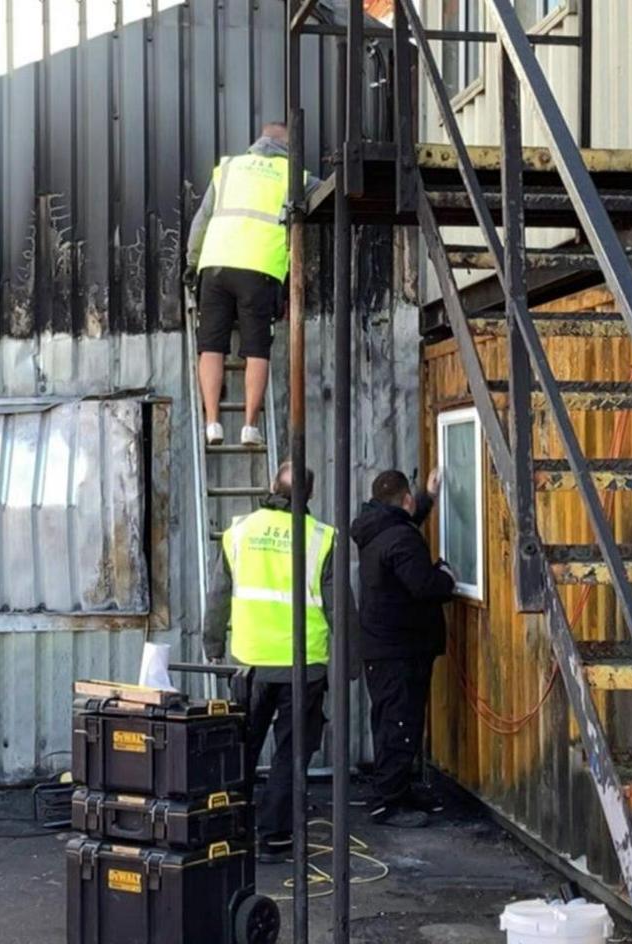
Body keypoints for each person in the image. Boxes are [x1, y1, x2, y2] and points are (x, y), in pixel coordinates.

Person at [204, 462, 352, 861]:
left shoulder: (241, 532)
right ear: (310, 494)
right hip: (303, 666)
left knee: (243, 746)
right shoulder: (320, 538)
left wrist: (212, 643)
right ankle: (274, 837)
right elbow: (340, 607)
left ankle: (231, 829)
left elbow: (218, 594)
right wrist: (352, 660)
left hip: (249, 663)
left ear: (272, 486)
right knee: (292, 752)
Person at [185, 121, 319, 447]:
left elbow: (201, 219)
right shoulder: (296, 176)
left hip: (215, 265)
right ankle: (249, 427)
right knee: (257, 349)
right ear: (288, 147)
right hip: (259, 268)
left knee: (211, 346)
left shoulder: (228, 168)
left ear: (259, 141)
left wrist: (192, 262)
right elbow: (331, 193)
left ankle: (212, 423)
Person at [349, 468, 456, 828]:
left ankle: (396, 789)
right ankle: (389, 803)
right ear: (405, 499)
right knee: (399, 723)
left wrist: (427, 497)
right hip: (400, 648)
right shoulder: (400, 538)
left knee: (390, 721)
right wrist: (447, 578)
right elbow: (423, 585)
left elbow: (401, 529)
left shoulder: (376, 530)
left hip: (383, 646)